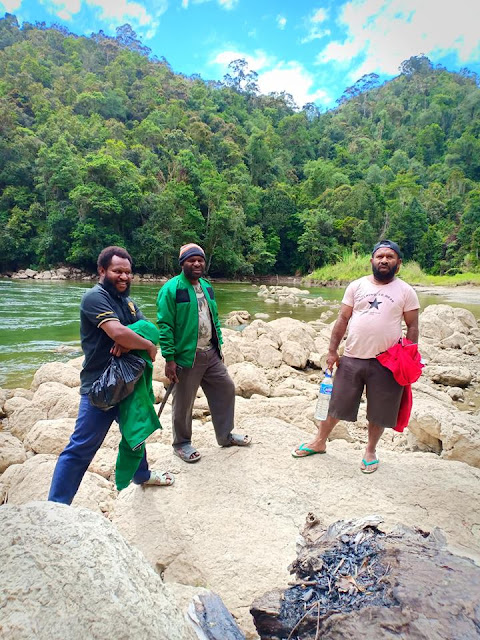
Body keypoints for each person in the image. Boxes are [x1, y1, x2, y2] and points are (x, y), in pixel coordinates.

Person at [48, 246, 174, 504]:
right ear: (102, 270)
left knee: (136, 431)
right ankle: (57, 505)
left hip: (129, 382)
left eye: (128, 272)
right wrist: (145, 345)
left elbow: (149, 328)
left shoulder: (126, 302)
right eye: (118, 271)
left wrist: (134, 340)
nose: (124, 277)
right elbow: (119, 333)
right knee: (80, 449)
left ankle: (142, 475)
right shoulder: (95, 298)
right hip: (100, 386)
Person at [292, 240, 420, 474]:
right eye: (379, 256)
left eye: (390, 257)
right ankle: (319, 441)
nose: (384, 260)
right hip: (352, 357)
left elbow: (412, 326)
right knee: (336, 403)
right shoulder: (357, 286)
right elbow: (342, 319)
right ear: (372, 260)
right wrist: (332, 351)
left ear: (398, 264)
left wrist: (410, 355)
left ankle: (370, 450)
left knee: (379, 411)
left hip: (387, 362)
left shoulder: (406, 291)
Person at [156, 243, 251, 463]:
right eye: (191, 260)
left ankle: (225, 435)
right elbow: (165, 325)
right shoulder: (171, 289)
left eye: (200, 260)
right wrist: (169, 359)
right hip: (187, 356)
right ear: (182, 263)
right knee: (184, 402)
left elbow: (214, 318)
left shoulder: (207, 287)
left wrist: (219, 346)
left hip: (210, 352)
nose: (197, 263)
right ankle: (181, 444)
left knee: (226, 388)